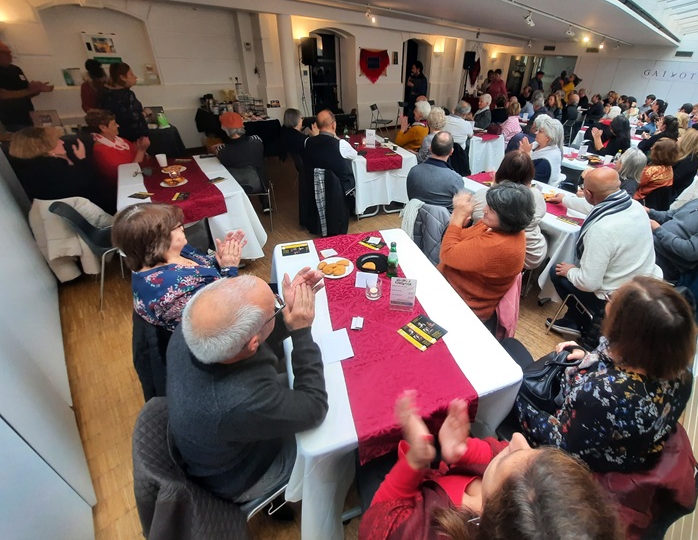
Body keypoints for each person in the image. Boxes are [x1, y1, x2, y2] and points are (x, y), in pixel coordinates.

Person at [359, 390, 622, 540]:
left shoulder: (423, 531)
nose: (517, 438)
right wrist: (463, 451)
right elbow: (495, 455)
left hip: (409, 496)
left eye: (508, 457)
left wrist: (414, 462)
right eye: (536, 452)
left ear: (490, 517)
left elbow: (379, 520)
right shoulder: (510, 502)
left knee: (365, 458)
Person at [166, 272, 328, 503]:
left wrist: (286, 315)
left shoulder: (191, 330)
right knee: (330, 437)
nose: (279, 304)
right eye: (276, 307)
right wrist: (301, 332)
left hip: (221, 436)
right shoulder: (240, 401)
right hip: (242, 475)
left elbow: (249, 340)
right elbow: (314, 408)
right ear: (253, 344)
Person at [514, 277, 695, 473]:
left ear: (625, 337)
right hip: (602, 433)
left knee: (512, 367)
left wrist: (516, 399)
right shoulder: (681, 375)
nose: (608, 302)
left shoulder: (604, 393)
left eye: (610, 302)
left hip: (574, 461)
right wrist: (588, 356)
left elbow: (563, 447)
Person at [546, 167, 661, 337]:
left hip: (613, 297)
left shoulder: (601, 229)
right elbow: (593, 206)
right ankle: (575, 318)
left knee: (557, 270)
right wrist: (565, 199)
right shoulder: (635, 206)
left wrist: (570, 271)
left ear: (588, 193)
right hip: (642, 287)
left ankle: (581, 320)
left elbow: (588, 283)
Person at [112, 203, 247, 331]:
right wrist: (229, 269)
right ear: (158, 240)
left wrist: (221, 260)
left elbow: (205, 268)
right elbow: (223, 315)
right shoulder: (173, 292)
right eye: (177, 226)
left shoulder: (174, 252)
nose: (182, 228)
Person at [439, 183, 533, 327]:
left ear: (508, 217)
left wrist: (457, 216)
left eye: (491, 209)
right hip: (450, 283)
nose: (484, 209)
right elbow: (460, 238)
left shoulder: (498, 244)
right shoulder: (497, 226)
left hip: (462, 304)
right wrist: (457, 225)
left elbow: (447, 253)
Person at [472, 151, 547, 270]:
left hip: (491, 252)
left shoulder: (483, 194)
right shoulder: (535, 195)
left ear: (500, 171)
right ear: (529, 177)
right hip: (530, 253)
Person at [7, 126, 96, 203]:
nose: (62, 142)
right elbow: (88, 185)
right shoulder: (55, 168)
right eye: (57, 140)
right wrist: (82, 159)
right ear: (45, 147)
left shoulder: (29, 169)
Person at [214, 111, 271, 212]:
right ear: (242, 125)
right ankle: (265, 203)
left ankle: (244, 206)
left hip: (235, 186)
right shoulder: (257, 140)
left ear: (224, 128)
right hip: (258, 184)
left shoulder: (222, 150)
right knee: (259, 165)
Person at [84, 109, 150, 188]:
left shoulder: (120, 141)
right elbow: (129, 173)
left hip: (140, 178)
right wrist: (141, 151)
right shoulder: (101, 150)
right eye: (114, 124)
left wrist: (140, 150)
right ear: (103, 128)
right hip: (122, 187)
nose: (118, 125)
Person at [0, 40, 54, 131]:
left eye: (10, 52)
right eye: (5, 53)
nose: (10, 55)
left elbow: (26, 93)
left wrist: (37, 89)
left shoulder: (16, 69)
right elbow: (3, 95)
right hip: (8, 122)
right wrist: (29, 91)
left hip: (28, 118)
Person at [407, 131, 464, 208]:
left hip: (415, 214)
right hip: (445, 216)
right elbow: (461, 209)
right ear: (451, 152)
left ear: (430, 148)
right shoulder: (455, 179)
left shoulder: (413, 171)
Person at [304, 109, 355, 194]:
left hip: (315, 188)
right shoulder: (341, 144)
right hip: (340, 191)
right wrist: (336, 136)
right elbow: (357, 157)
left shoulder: (307, 142)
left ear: (317, 126)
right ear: (333, 125)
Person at [99, 62, 149, 144]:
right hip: (132, 137)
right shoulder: (127, 95)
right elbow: (133, 118)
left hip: (115, 137)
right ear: (122, 77)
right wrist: (145, 113)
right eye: (131, 74)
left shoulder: (104, 93)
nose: (135, 77)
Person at [520, 114, 563, 186]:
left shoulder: (546, 162)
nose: (536, 132)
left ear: (548, 137)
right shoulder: (536, 145)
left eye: (540, 131)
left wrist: (525, 155)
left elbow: (531, 182)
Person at [671, 128, 698, 199]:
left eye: (681, 137)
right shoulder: (682, 155)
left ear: (686, 141)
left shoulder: (690, 161)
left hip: (672, 194)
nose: (678, 138)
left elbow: (673, 180)